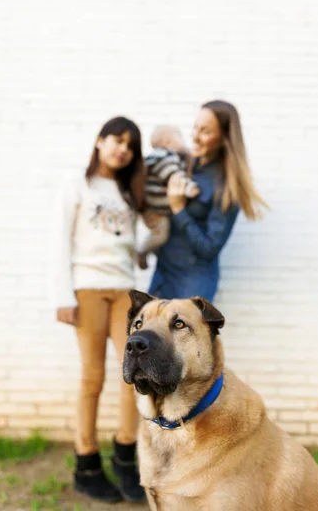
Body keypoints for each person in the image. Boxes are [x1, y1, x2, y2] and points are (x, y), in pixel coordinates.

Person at [49, 117, 146, 504]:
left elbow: (136, 244)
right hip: (87, 289)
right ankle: (86, 464)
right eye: (117, 140)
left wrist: (161, 224)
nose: (122, 149)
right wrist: (62, 296)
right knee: (93, 378)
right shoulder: (77, 183)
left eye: (130, 145)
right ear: (99, 142)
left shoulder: (128, 190)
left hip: (125, 289)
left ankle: (125, 457)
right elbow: (60, 238)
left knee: (133, 376)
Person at [149, 100, 267, 302]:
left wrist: (178, 209)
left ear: (224, 139)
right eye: (195, 127)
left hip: (192, 282)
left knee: (183, 335)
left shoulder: (227, 186)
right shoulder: (181, 163)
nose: (195, 136)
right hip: (163, 274)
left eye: (206, 131)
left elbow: (210, 248)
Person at [137, 124, 200, 270]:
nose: (184, 141)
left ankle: (154, 251)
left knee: (161, 236)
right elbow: (174, 176)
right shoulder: (166, 158)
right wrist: (190, 188)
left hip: (155, 205)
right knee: (161, 235)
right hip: (158, 210)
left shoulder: (157, 157)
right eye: (180, 137)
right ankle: (142, 251)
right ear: (168, 143)